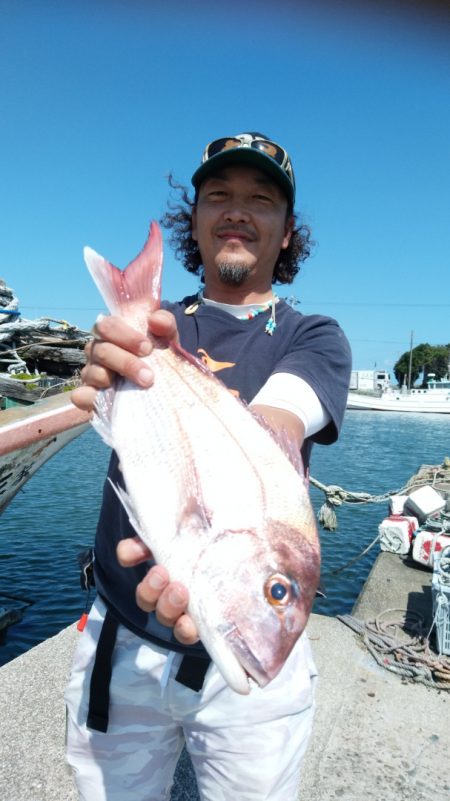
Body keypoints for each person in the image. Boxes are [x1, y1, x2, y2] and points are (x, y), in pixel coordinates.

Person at [66, 132, 352, 801]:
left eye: (260, 199)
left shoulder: (315, 336)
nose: (236, 209)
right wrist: (111, 368)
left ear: (286, 234)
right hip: (122, 636)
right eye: (218, 195)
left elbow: (282, 417)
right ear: (192, 220)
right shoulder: (158, 327)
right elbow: (108, 399)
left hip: (244, 691)